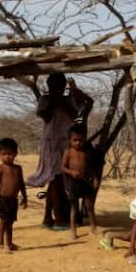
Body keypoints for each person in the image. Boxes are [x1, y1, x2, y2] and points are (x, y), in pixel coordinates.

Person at [26, 73, 93, 230]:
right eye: (54, 85)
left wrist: (74, 94)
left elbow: (76, 114)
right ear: (49, 86)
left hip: (66, 142)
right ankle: (58, 219)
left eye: (61, 85)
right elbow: (46, 116)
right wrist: (55, 100)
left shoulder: (67, 100)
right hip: (51, 143)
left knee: (57, 179)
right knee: (55, 178)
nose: (58, 88)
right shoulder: (45, 99)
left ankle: (48, 218)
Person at [62, 125, 98, 239]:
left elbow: (91, 167)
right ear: (70, 140)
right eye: (75, 140)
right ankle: (73, 230)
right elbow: (62, 167)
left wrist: (95, 178)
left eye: (81, 140)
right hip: (73, 182)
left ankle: (94, 228)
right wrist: (71, 172)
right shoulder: (68, 152)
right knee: (74, 207)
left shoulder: (86, 152)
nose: (78, 143)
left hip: (86, 181)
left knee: (89, 206)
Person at [0, 137, 27, 253]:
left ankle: (9, 243)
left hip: (13, 199)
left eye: (10, 154)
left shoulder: (18, 169)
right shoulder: (0, 169)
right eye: (4, 154)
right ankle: (0, 244)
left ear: (15, 153)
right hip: (3, 199)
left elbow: (21, 183)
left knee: (10, 223)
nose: (7, 157)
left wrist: (25, 197)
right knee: (3, 221)